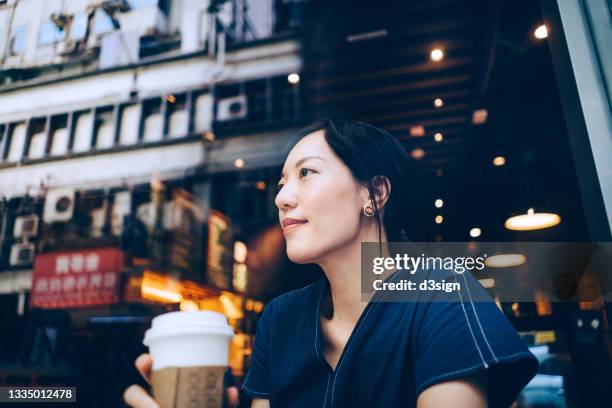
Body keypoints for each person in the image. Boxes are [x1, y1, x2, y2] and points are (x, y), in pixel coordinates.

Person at [125, 119, 539, 408]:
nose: (282, 197)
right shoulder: (280, 319)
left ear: (373, 195)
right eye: (282, 182)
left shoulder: (441, 295)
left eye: (306, 173)